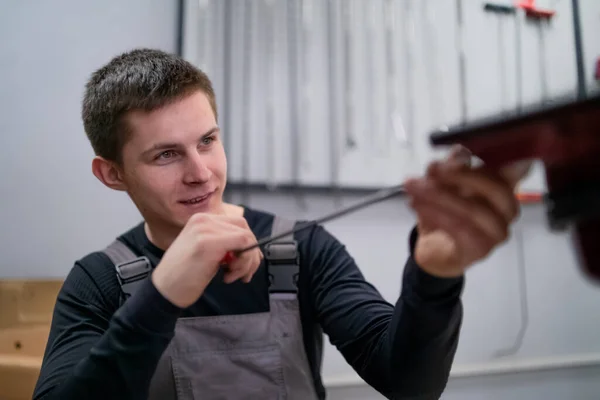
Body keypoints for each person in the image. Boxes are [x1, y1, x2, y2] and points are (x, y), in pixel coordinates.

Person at [33, 48, 520, 400]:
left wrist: (434, 275)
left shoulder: (302, 247)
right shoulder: (98, 283)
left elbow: (410, 384)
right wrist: (161, 296)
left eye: (207, 140)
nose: (201, 172)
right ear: (112, 173)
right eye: (166, 154)